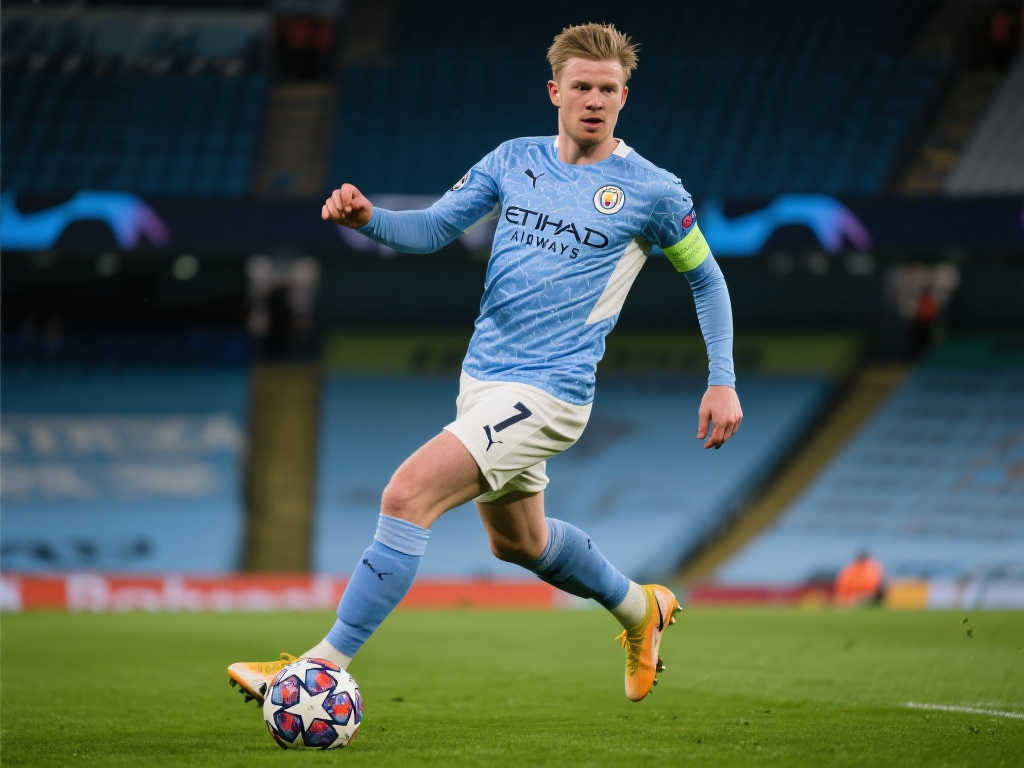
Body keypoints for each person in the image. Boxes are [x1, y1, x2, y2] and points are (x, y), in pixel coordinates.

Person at [229, 21, 742, 705]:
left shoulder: (653, 191)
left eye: (608, 89)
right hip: (483, 381)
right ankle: (639, 610)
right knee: (521, 544)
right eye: (582, 87)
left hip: (551, 392)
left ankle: (316, 670)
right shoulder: (512, 159)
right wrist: (368, 219)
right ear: (555, 91)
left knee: (406, 496)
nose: (594, 100)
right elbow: (434, 228)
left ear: (624, 97)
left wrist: (721, 379)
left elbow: (706, 278)